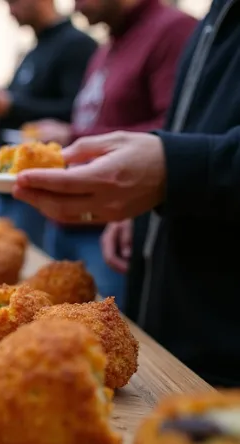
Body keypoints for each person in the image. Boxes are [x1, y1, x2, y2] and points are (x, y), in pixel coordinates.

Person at [13, 0, 240, 386]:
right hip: (149, 264)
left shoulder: (171, 30)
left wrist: (172, 169)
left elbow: (176, 145)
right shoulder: (114, 45)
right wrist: (147, 208)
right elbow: (181, 130)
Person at [22, 0, 197, 310]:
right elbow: (94, 121)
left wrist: (73, 136)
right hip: (66, 225)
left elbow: (178, 128)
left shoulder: (173, 30)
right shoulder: (107, 45)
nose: (74, 6)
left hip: (110, 236)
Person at [0, 0, 97, 248]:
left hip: (40, 194)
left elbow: (80, 112)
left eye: (14, 2)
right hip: (8, 183)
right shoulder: (34, 50)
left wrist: (9, 105)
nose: (10, 11)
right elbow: (15, 103)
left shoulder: (77, 46)